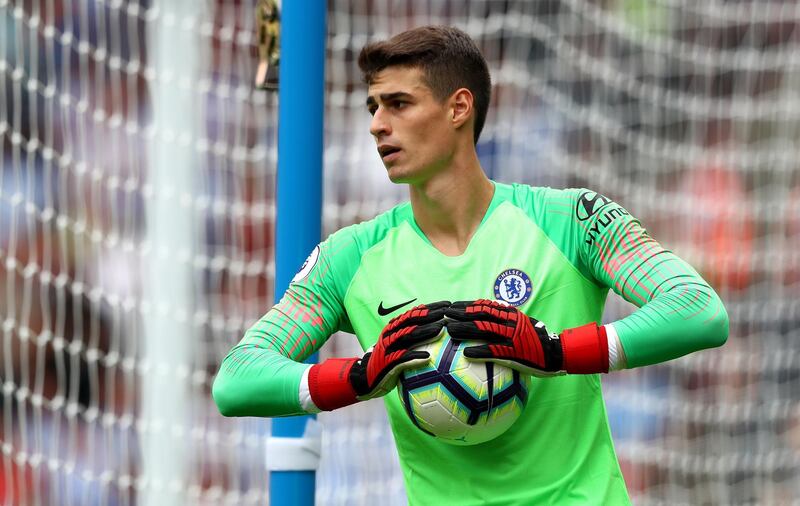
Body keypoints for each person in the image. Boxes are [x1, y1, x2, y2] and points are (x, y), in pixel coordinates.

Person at [212, 25, 729, 505]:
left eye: (398, 104)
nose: (376, 125)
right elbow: (236, 379)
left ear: (459, 107)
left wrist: (555, 352)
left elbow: (699, 311)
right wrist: (360, 375)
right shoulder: (350, 257)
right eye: (372, 106)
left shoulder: (570, 220)